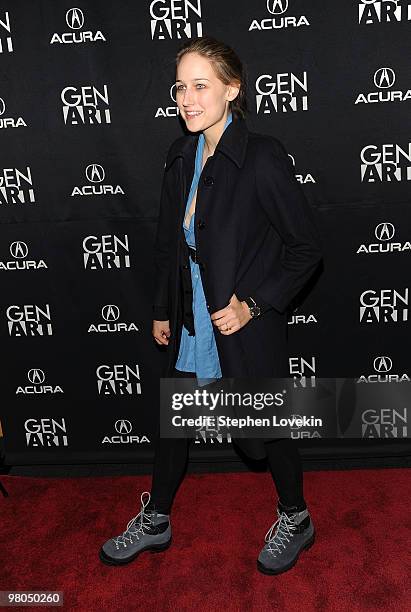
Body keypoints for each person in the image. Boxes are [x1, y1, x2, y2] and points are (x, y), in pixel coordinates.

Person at [99, 36, 323, 575]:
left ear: (232, 89)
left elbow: (306, 248)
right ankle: (157, 518)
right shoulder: (181, 155)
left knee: (266, 429)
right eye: (181, 86)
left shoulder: (263, 158)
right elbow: (166, 245)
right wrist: (161, 308)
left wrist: (254, 304)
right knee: (173, 421)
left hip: (243, 318)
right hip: (189, 311)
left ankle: (296, 516)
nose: (188, 98)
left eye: (201, 85)